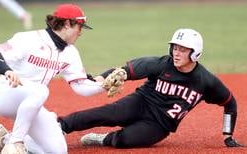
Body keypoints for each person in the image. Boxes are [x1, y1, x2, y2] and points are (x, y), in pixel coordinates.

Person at [57, 28, 244, 148]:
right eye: (175, 48)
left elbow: (230, 103)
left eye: (183, 49)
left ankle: (102, 139)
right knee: (106, 113)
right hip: (140, 103)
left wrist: (228, 136)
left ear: (195, 54)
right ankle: (61, 125)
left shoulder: (206, 81)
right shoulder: (161, 64)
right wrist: (98, 79)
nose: (176, 53)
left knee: (126, 141)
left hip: (160, 125)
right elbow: (122, 72)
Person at [0, 3, 106, 154]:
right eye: (80, 26)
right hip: (7, 95)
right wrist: (7, 70)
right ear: (68, 24)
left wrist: (105, 86)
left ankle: (4, 139)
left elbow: (81, 87)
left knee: (57, 151)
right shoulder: (29, 38)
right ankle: (15, 143)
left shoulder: (71, 53)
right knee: (41, 90)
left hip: (33, 104)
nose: (81, 32)